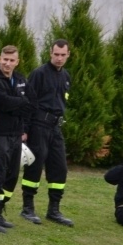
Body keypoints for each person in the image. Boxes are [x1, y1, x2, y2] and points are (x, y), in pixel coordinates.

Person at [20, 39, 74, 226]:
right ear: (50, 53)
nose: (59, 58)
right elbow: (28, 102)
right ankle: (27, 208)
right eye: (56, 54)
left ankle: (54, 210)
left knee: (60, 168)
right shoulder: (39, 73)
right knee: (34, 166)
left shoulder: (66, 76)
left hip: (55, 128)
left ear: (68, 55)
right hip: (38, 125)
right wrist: (24, 129)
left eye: (63, 55)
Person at [0, 45, 33, 233]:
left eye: (12, 60)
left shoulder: (20, 79)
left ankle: (0, 211)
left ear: (17, 62)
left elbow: (32, 103)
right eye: (5, 59)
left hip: (16, 135)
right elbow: (2, 103)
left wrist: (18, 106)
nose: (7, 63)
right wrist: (21, 102)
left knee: (12, 175)